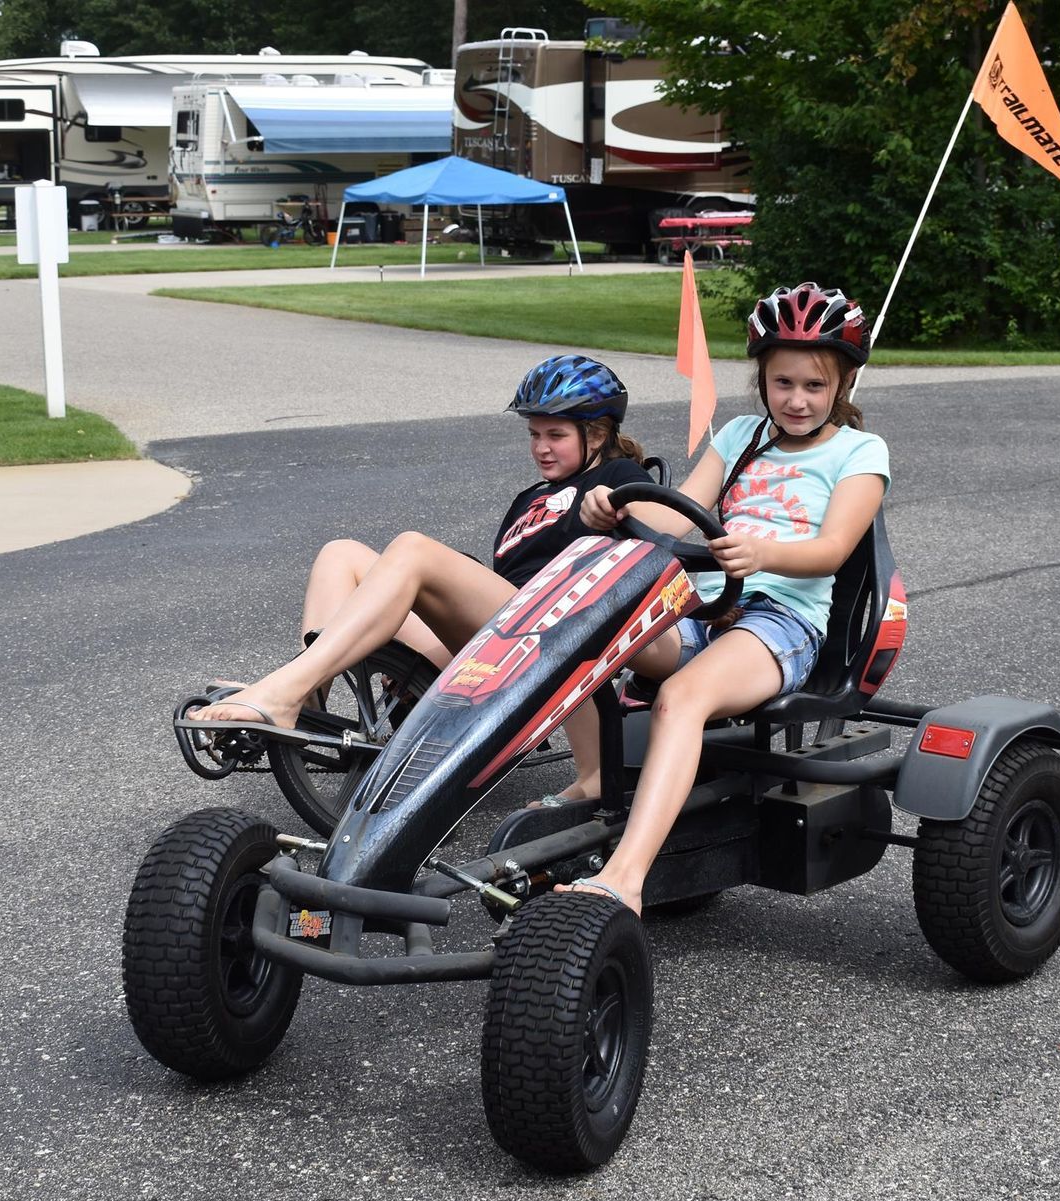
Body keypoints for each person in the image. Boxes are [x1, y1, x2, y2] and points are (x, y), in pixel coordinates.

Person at [557, 282, 891, 914]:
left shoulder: (859, 452)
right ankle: (589, 785)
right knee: (587, 635)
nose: (796, 400)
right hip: (703, 606)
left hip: (780, 620)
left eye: (814, 386)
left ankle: (624, 877)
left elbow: (834, 550)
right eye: (783, 382)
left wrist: (762, 553)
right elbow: (676, 519)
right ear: (761, 378)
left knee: (681, 699)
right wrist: (611, 505)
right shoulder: (739, 435)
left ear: (843, 385)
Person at [191, 354, 659, 804]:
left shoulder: (620, 476)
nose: (540, 447)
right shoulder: (533, 496)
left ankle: (280, 691)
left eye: (555, 434)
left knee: (414, 550)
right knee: (341, 554)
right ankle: (306, 707)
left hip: (543, 629)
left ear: (597, 434)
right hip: (491, 635)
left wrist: (615, 500)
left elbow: (662, 524)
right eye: (534, 433)